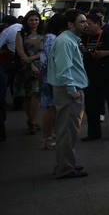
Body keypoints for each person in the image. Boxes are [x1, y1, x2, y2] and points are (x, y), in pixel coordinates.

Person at [47, 9, 90, 179]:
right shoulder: (66, 41)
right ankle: (65, 168)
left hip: (69, 90)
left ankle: (67, 163)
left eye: (85, 21)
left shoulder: (69, 40)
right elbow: (64, 70)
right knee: (67, 130)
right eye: (81, 22)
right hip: (69, 91)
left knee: (69, 130)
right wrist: (73, 91)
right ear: (70, 24)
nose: (85, 25)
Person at [81, 11, 109, 141]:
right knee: (91, 106)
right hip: (90, 76)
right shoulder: (84, 38)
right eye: (84, 24)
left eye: (88, 24)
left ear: (97, 24)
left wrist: (105, 53)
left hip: (108, 76)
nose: (86, 27)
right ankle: (93, 133)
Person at [38, 13, 67, 150]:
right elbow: (53, 58)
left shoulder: (53, 37)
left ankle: (53, 136)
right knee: (51, 108)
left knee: (54, 108)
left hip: (51, 76)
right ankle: (47, 138)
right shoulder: (51, 38)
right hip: (50, 77)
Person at [14, 10, 45, 135]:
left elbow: (46, 50)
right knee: (27, 96)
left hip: (41, 66)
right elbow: (20, 51)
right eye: (31, 20)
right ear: (27, 21)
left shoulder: (44, 33)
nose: (34, 22)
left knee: (35, 95)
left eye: (36, 20)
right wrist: (30, 63)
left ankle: (33, 122)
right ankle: (31, 120)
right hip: (25, 67)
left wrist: (33, 59)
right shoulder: (21, 34)